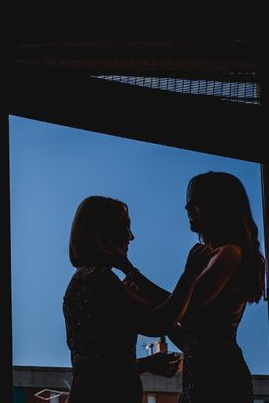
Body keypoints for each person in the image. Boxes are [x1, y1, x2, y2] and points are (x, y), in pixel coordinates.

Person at [124, 172, 265, 402]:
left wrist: (130, 271)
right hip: (205, 378)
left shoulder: (228, 254)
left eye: (197, 200)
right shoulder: (218, 256)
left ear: (219, 207)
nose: (187, 206)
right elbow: (192, 337)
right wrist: (155, 306)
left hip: (219, 381)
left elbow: (186, 310)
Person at [63, 196, 212, 403]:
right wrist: (190, 274)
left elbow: (100, 362)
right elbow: (159, 322)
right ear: (104, 234)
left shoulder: (82, 280)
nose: (131, 237)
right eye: (125, 227)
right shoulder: (100, 281)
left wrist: (146, 365)